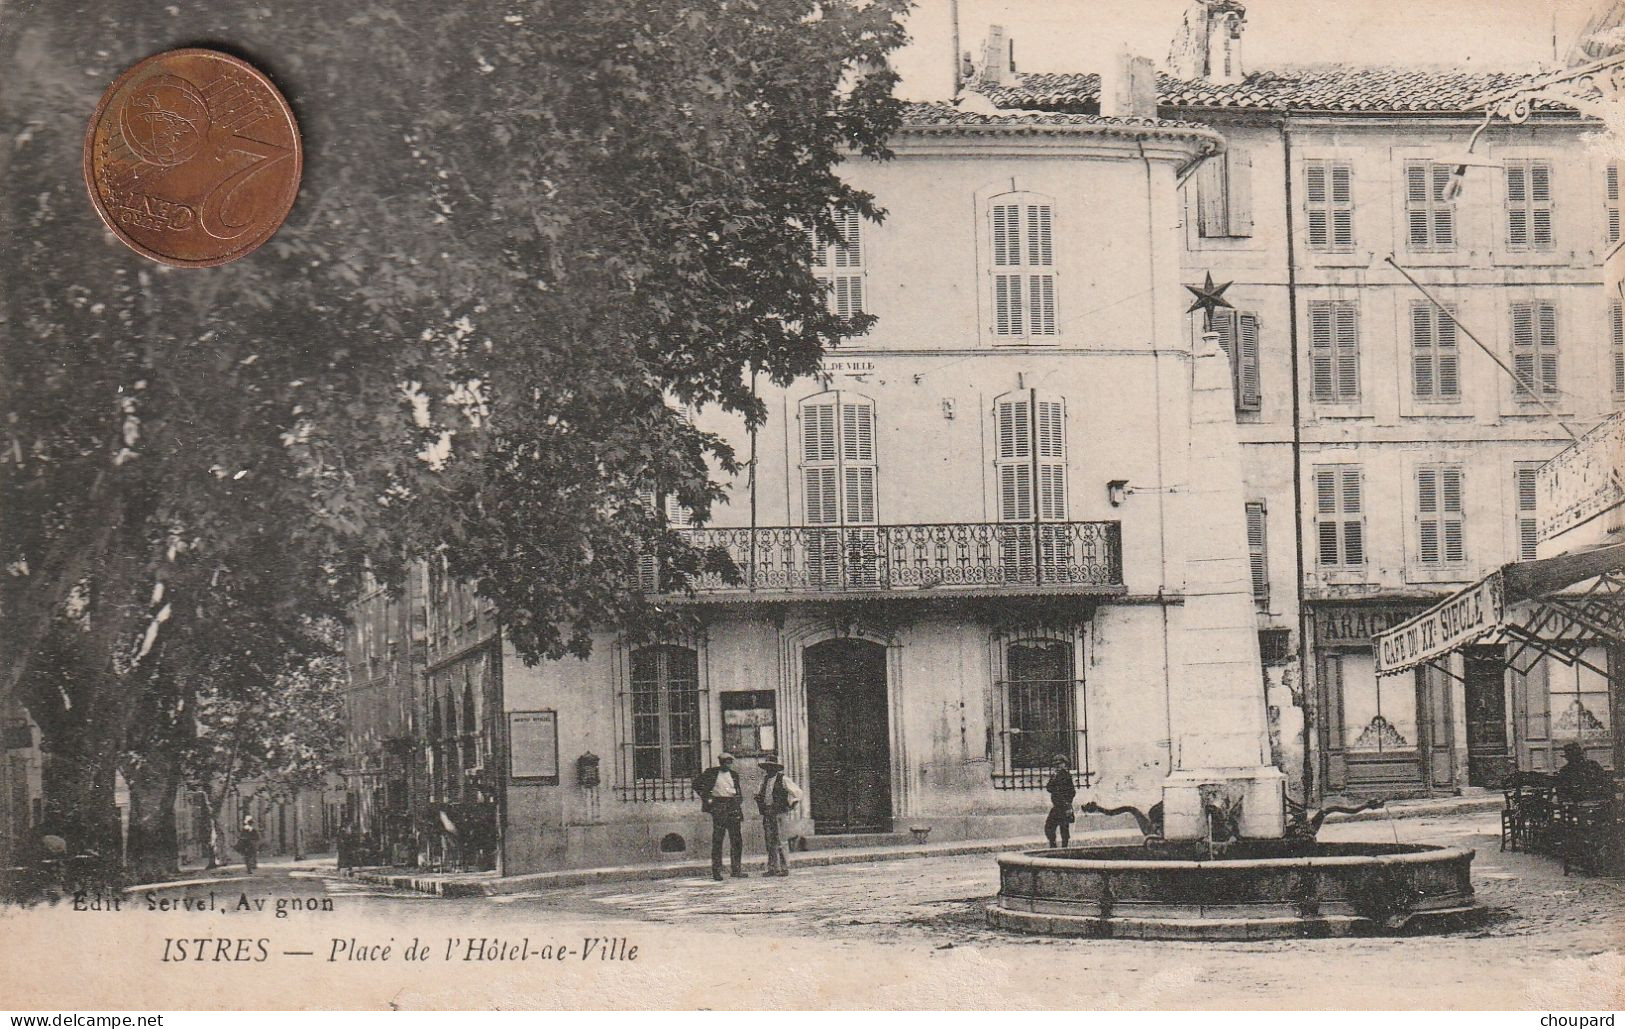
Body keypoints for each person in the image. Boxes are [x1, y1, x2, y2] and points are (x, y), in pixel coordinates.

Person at [692, 753, 746, 880]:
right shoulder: (711, 773)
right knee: (718, 839)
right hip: (719, 806)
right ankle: (716, 871)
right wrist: (707, 799)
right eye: (724, 762)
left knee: (736, 840)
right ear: (720, 762)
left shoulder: (734, 775)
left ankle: (736, 870)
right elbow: (696, 784)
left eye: (729, 762)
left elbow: (738, 791)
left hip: (733, 807)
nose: (727, 765)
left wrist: (738, 801)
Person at [755, 754, 803, 877]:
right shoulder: (764, 781)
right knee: (769, 841)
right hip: (768, 813)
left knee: (781, 840)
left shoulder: (783, 779)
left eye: (771, 767)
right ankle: (772, 868)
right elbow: (759, 795)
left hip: (779, 813)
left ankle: (784, 867)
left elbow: (798, 793)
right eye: (767, 767)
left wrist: (791, 805)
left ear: (776, 768)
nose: (769, 770)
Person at [1044, 754, 1077, 848]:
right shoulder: (1055, 776)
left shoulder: (1066, 776)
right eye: (1055, 765)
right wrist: (1053, 778)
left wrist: (1067, 804)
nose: (1057, 766)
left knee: (1062, 828)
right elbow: (1049, 788)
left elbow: (1072, 792)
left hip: (1064, 806)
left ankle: (1063, 847)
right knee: (1050, 827)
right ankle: (1054, 845)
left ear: (1064, 764)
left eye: (1059, 764)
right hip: (1057, 807)